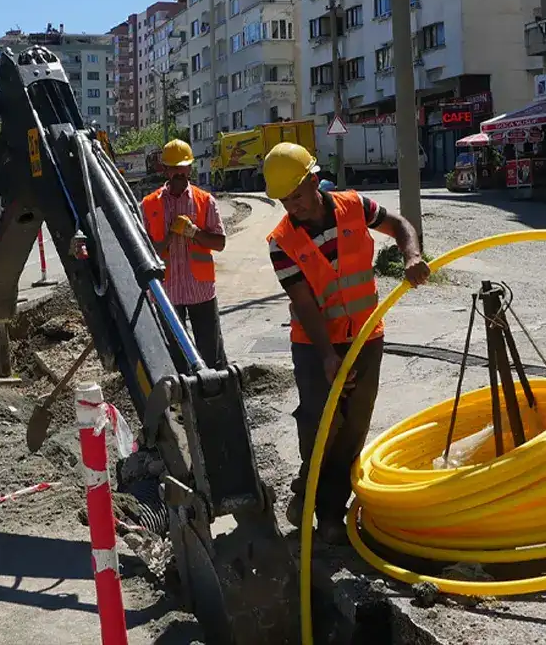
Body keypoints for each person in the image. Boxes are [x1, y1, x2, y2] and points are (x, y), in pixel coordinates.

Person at [262, 141, 429, 542]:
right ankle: (326, 511)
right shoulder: (280, 241)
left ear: (314, 181)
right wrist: (327, 357)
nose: (293, 207)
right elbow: (303, 303)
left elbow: (400, 226)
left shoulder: (355, 206)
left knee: (353, 426)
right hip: (314, 342)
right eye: (284, 201)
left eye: (297, 196)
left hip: (367, 335)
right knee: (323, 425)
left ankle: (322, 504)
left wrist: (410, 256)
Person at [141, 139, 229, 369]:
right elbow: (145, 251)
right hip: (166, 292)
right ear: (166, 170)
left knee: (211, 355)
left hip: (200, 290)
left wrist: (194, 232)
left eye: (183, 167)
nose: (179, 173)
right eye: (174, 168)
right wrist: (170, 237)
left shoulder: (205, 201)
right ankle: (183, 400)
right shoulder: (149, 205)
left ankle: (215, 397)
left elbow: (220, 243)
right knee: (174, 358)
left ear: (190, 168)